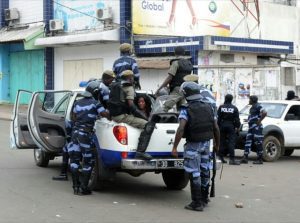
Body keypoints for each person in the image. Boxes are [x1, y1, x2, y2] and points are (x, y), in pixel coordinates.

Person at [171, 81, 220, 212]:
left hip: (193, 144)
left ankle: (197, 203)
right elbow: (215, 127)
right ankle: (204, 199)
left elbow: (181, 128)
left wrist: (174, 147)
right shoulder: (209, 106)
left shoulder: (186, 109)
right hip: (206, 143)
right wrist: (217, 144)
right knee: (205, 169)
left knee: (194, 172)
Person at [68, 81, 108, 195]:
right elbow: (104, 114)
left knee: (74, 161)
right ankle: (84, 188)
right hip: (86, 135)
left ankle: (75, 187)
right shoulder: (96, 103)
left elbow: (73, 117)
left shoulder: (77, 103)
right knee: (88, 162)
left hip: (75, 134)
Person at [107, 70, 155, 160]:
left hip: (114, 115)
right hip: (122, 116)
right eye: (132, 77)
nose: (133, 79)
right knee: (148, 124)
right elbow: (131, 106)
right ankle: (140, 152)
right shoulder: (129, 88)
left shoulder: (115, 85)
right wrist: (145, 118)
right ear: (130, 78)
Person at [155, 46, 193, 112]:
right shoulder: (189, 63)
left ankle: (156, 121)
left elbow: (169, 77)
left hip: (177, 90)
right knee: (181, 110)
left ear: (175, 53)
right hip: (186, 90)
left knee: (164, 108)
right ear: (184, 53)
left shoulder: (175, 63)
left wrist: (159, 89)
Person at [240, 95, 267, 165]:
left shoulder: (258, 106)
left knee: (258, 142)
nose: (249, 101)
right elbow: (254, 116)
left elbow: (264, 113)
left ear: (252, 100)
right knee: (248, 141)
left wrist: (259, 120)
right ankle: (245, 157)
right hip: (251, 127)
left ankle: (260, 159)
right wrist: (249, 119)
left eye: (250, 99)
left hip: (256, 127)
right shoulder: (252, 107)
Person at [217, 94, 241, 165]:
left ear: (225, 98)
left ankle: (220, 158)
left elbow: (218, 118)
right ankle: (232, 160)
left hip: (222, 125)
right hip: (231, 126)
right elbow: (237, 119)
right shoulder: (234, 108)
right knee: (231, 142)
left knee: (221, 142)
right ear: (231, 99)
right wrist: (237, 127)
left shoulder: (221, 107)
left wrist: (218, 126)